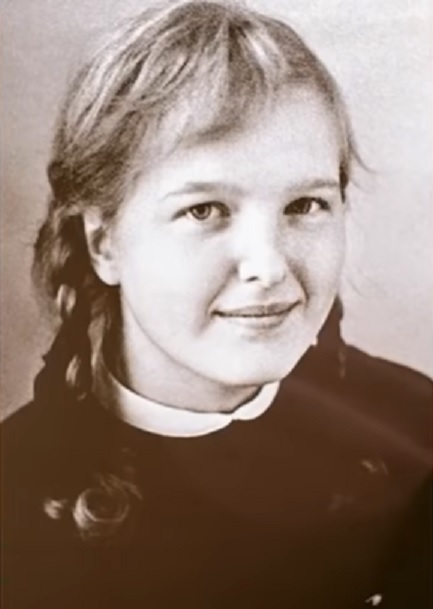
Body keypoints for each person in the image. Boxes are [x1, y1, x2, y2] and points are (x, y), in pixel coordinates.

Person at [2, 1, 431, 607]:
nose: (269, 265)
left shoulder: (415, 432)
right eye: (204, 210)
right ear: (103, 243)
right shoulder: (14, 506)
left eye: (305, 205)